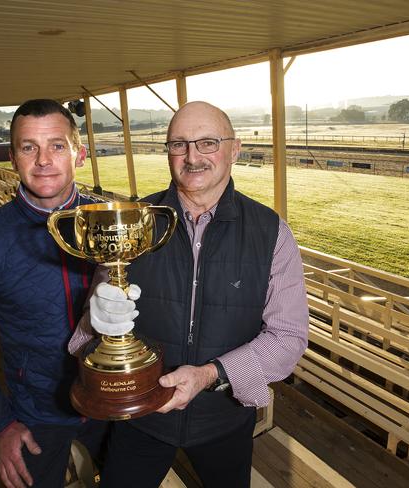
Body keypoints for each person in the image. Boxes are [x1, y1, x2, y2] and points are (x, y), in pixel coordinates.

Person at [70, 101, 309, 487]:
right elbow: (86, 335)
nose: (192, 157)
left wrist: (209, 375)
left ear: (235, 149)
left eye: (208, 143)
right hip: (141, 418)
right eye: (178, 144)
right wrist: (95, 322)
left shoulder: (271, 233)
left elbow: (289, 338)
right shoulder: (132, 222)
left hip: (224, 419)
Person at [0, 99, 108, 488]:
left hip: (112, 401)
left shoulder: (111, 222)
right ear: (12, 157)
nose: (43, 160)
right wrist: (0, 425)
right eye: (29, 147)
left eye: (57, 145)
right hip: (37, 412)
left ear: (79, 154)